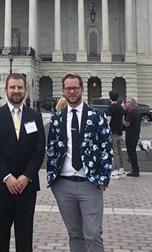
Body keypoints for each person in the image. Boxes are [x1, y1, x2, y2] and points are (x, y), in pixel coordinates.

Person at [47, 72, 113, 252]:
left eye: (75, 88)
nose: (72, 91)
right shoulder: (57, 118)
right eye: (68, 88)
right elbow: (51, 148)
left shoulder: (96, 116)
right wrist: (52, 178)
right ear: (63, 91)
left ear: (82, 89)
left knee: (92, 234)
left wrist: (103, 179)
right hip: (63, 183)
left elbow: (106, 147)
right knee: (74, 233)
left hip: (89, 183)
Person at [0, 72, 45, 252]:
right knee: (0, 238)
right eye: (12, 87)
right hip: (2, 186)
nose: (16, 91)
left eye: (19, 87)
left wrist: (26, 176)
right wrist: (7, 176)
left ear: (26, 90)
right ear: (5, 90)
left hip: (26, 187)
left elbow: (39, 149)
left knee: (25, 236)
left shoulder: (35, 116)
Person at [106, 91, 125, 179]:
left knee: (115, 152)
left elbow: (108, 121)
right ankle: (121, 170)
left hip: (113, 132)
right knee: (120, 151)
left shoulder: (110, 108)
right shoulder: (121, 108)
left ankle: (115, 171)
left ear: (110, 98)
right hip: (120, 132)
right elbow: (122, 120)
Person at [123, 97, 141, 177]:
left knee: (131, 153)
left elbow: (127, 124)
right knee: (132, 152)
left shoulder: (131, 112)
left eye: (126, 102)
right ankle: (135, 168)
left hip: (131, 135)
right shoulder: (136, 111)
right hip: (135, 135)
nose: (125, 104)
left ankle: (135, 170)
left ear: (131, 103)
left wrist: (120, 119)